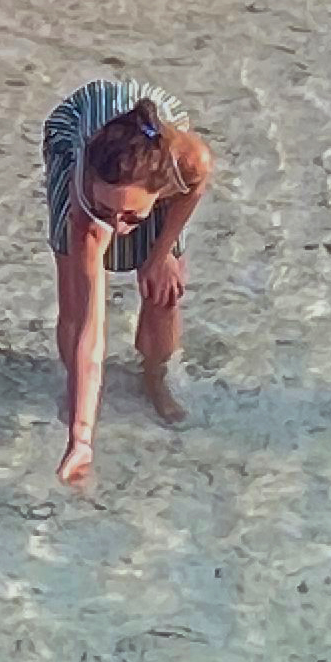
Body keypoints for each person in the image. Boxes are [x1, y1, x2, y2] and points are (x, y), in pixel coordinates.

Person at [42, 81, 214, 484]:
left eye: (130, 218)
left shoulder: (191, 160)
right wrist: (81, 439)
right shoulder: (87, 211)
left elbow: (193, 191)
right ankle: (77, 395)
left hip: (158, 157)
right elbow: (91, 328)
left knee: (164, 291)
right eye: (108, 210)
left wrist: (161, 254)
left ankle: (154, 377)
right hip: (76, 128)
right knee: (75, 301)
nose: (118, 229)